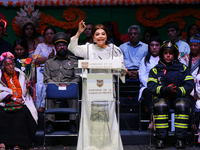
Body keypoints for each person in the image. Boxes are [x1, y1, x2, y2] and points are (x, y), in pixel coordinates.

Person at [68, 20, 125, 150]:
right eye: (97, 34)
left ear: (107, 36)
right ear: (93, 37)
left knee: (107, 117)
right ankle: (90, 146)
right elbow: (72, 48)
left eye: (103, 34)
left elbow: (121, 67)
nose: (100, 36)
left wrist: (122, 70)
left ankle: (109, 146)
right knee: (91, 118)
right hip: (91, 87)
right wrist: (79, 32)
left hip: (108, 87)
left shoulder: (114, 50)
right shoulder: (88, 48)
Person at [147, 41, 194, 149]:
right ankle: (161, 139)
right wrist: (164, 90)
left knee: (182, 105)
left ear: (175, 55)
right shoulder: (155, 70)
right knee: (160, 105)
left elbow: (189, 84)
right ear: (162, 54)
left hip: (179, 97)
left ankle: (180, 139)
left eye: (171, 53)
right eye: (166, 53)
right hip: (162, 97)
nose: (168, 55)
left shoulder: (183, 69)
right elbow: (151, 86)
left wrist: (177, 91)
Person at [43, 32, 80, 134]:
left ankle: (73, 122)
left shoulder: (73, 61)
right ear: (55, 47)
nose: (62, 47)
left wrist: (67, 86)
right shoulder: (49, 62)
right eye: (59, 45)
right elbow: (46, 79)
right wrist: (57, 86)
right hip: (54, 88)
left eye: (64, 45)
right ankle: (50, 123)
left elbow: (77, 77)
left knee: (73, 96)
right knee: (49, 96)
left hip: (69, 88)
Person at [0, 52, 38, 150]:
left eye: (12, 64)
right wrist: (12, 98)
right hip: (4, 101)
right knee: (2, 113)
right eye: (8, 65)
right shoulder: (0, 75)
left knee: (24, 112)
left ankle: (19, 144)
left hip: (21, 100)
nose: (11, 66)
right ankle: (3, 142)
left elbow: (23, 91)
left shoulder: (20, 73)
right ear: (3, 67)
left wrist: (27, 87)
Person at [139, 36, 163, 130]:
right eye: (152, 45)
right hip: (147, 87)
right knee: (149, 93)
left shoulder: (165, 59)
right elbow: (142, 76)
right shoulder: (145, 60)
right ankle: (153, 119)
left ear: (161, 47)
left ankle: (154, 122)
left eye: (157, 45)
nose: (154, 47)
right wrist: (152, 86)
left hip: (162, 87)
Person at [33, 26, 56, 113]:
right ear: (44, 36)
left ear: (55, 35)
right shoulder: (40, 46)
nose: (49, 35)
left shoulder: (58, 46)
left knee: (47, 86)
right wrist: (48, 58)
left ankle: (43, 106)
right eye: (47, 34)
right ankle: (37, 108)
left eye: (51, 33)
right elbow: (34, 61)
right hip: (41, 69)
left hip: (54, 71)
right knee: (39, 86)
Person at [188, 34, 200, 143]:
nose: (193, 48)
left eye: (196, 45)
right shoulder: (185, 57)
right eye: (191, 45)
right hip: (189, 86)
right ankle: (193, 124)